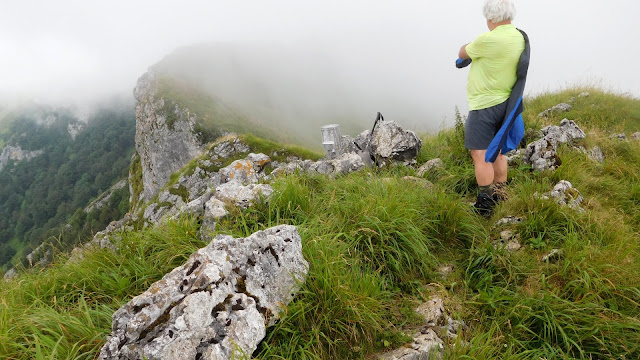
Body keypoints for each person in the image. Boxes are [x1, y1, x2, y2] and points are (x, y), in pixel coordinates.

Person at [457, 0, 527, 216]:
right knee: (497, 150)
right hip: (506, 104)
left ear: (490, 18)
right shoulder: (519, 37)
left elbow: (462, 53)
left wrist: (475, 47)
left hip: (484, 105)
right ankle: (501, 195)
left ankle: (485, 205)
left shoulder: (487, 40)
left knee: (480, 153)